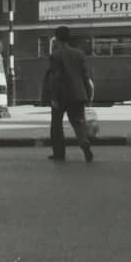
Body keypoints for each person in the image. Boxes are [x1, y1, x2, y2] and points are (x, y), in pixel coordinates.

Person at [42, 27, 96, 163]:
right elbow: (85, 77)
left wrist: (53, 97)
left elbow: (56, 78)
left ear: (57, 39)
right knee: (78, 122)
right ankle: (84, 142)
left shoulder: (56, 56)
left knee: (57, 125)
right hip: (78, 94)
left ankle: (59, 153)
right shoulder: (79, 54)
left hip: (61, 95)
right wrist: (88, 95)